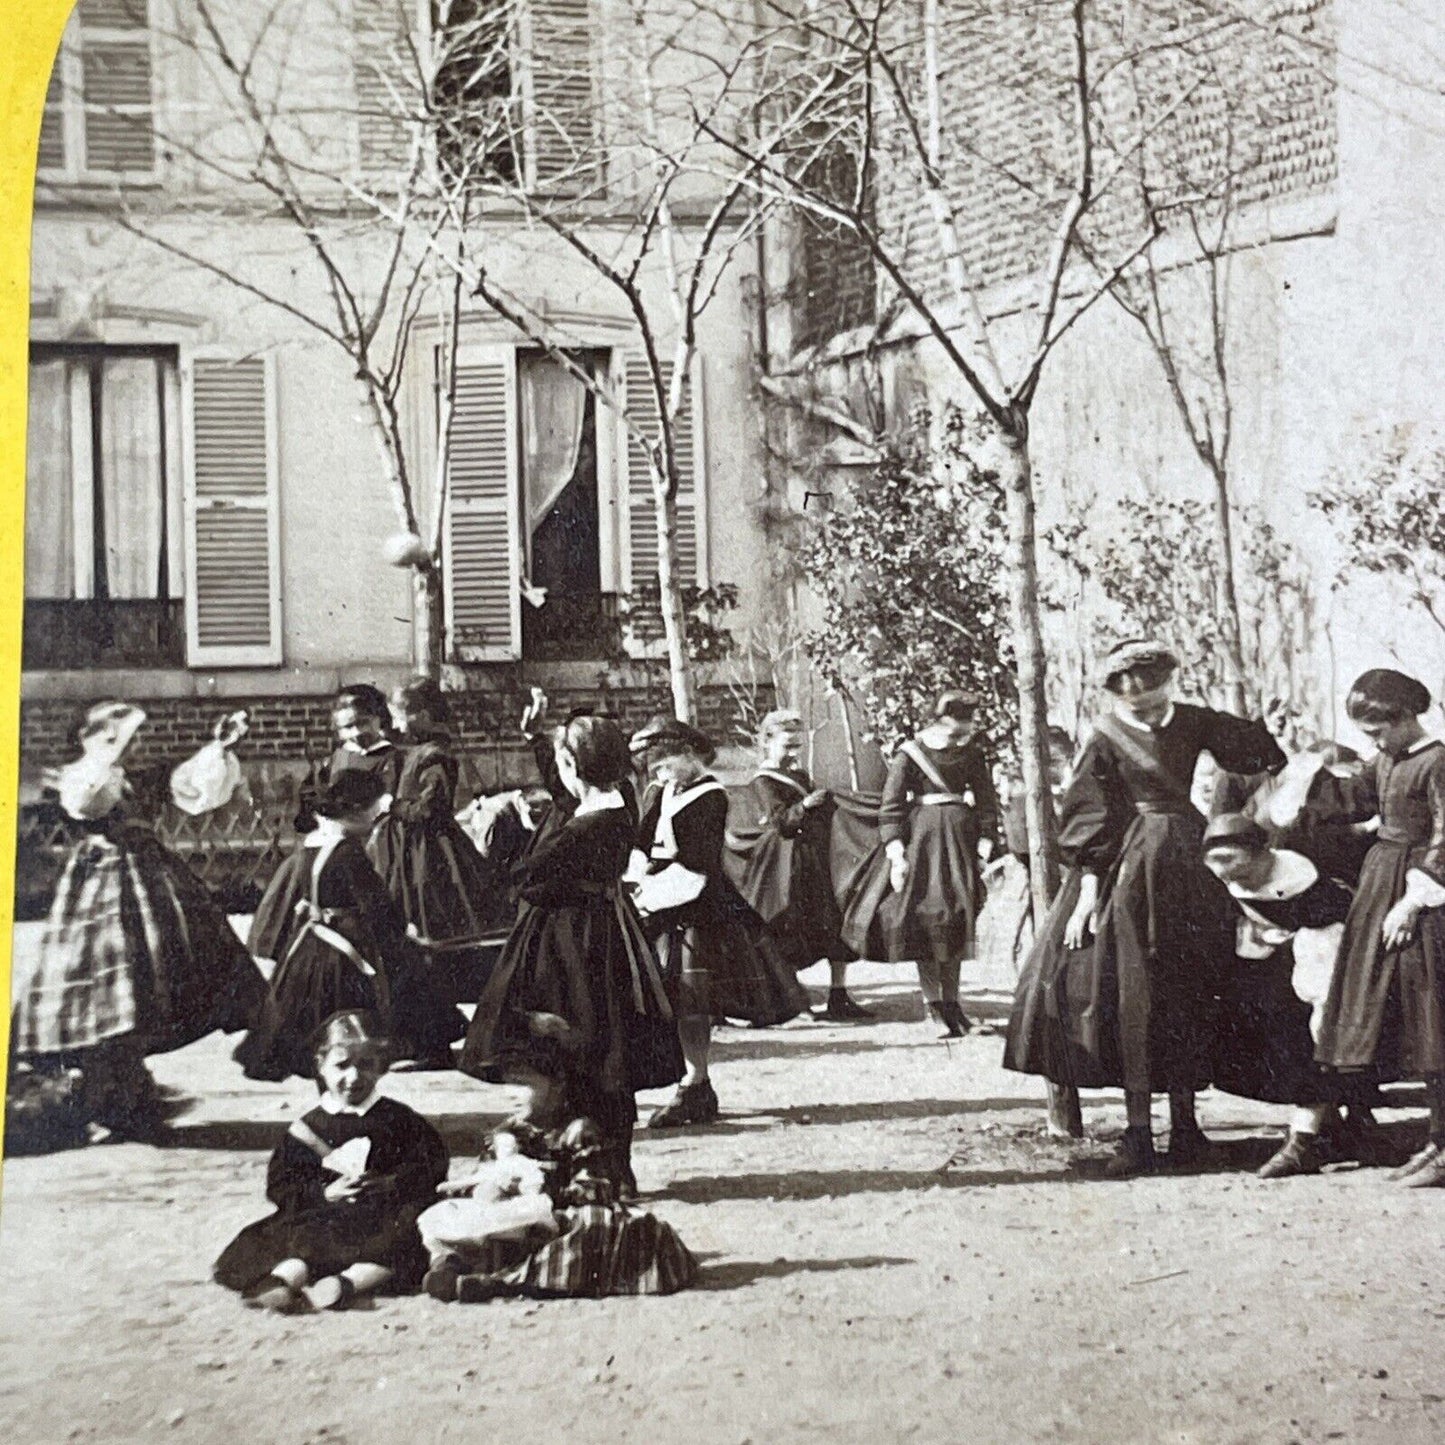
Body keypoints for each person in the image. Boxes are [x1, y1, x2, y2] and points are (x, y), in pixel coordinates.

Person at [1002, 639, 1287, 1177]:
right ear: (1116, 697)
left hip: (1192, 864)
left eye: (1154, 701)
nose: (1147, 713)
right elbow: (1088, 815)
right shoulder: (1105, 736)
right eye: (1135, 706)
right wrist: (1087, 892)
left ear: (1169, 684)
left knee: (1191, 988)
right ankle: (1137, 1133)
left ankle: (1187, 1129)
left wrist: (1261, 746)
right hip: (1126, 872)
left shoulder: (1198, 720)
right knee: (1133, 992)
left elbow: (1258, 757)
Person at [10, 702, 267, 1142]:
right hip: (101, 884)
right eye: (126, 737)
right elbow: (87, 802)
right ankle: (109, 1093)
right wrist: (103, 757)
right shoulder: (81, 778)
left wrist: (219, 748)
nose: (135, 746)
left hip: (153, 880)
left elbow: (192, 788)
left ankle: (125, 1090)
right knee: (104, 983)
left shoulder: (137, 778)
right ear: (98, 740)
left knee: (155, 974)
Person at [458, 713, 682, 1191]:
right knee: (607, 1046)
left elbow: (527, 879)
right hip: (605, 935)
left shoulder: (587, 825)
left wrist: (510, 831)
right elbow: (563, 801)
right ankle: (606, 1163)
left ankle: (593, 1164)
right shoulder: (617, 802)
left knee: (581, 1047)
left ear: (571, 765)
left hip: (571, 945)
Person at [1272, 668, 1445, 1187]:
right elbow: (1351, 800)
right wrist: (1302, 768)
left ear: (1405, 717)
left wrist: (1415, 901)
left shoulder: (1438, 760)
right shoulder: (1386, 761)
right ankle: (1432, 1141)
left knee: (1431, 1017)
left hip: (1422, 894)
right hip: (1379, 883)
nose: (1373, 742)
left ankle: (1443, 1144)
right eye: (1367, 735)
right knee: (1394, 1018)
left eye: (1378, 731)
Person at [631, 719, 811, 1128]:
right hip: (658, 899)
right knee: (668, 1000)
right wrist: (635, 877)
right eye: (654, 768)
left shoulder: (710, 797)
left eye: (667, 765)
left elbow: (696, 865)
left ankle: (696, 1082)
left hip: (694, 904)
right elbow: (643, 844)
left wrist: (647, 896)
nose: (660, 774)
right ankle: (690, 1080)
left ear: (691, 757)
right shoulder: (662, 791)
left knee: (693, 999)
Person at [215, 1011, 448, 1312]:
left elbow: (432, 1165)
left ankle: (346, 1285)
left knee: (400, 1242)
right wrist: (323, 1194)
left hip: (385, 1214)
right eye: (341, 1065)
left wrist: (395, 1182)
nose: (353, 1077)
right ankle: (282, 1282)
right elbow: (281, 1184)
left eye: (365, 1065)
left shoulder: (400, 1120)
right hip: (325, 1214)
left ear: (381, 1068)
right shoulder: (309, 1127)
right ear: (320, 1067)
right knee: (299, 1237)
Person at [235, 769, 461, 1081]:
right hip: (349, 935)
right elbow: (375, 904)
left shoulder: (309, 848)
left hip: (312, 937)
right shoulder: (349, 852)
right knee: (403, 972)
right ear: (354, 811)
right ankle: (425, 1045)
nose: (374, 817)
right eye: (371, 810)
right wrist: (403, 932)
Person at [1199, 813, 1383, 1177]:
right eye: (1216, 863)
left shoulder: (1304, 880)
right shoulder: (1237, 882)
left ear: (1262, 852)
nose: (1225, 873)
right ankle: (1343, 1124)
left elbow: (1329, 945)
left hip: (1333, 953)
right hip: (1283, 958)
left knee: (1323, 1033)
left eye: (1231, 861)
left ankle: (1306, 1140)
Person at [726, 709, 871, 1021]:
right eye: (787, 745)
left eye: (797, 746)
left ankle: (838, 995)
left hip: (813, 859)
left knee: (834, 921)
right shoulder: (763, 780)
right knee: (790, 926)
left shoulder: (798, 776)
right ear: (767, 742)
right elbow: (781, 822)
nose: (793, 752)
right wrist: (805, 805)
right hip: (786, 866)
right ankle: (794, 1000)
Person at [880, 691, 1000, 1037]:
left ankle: (954, 1005)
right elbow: (891, 807)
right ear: (941, 719)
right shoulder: (910, 753)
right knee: (928, 920)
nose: (962, 735)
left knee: (959, 917)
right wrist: (897, 853)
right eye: (956, 727)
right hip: (924, 845)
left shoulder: (972, 754)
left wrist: (985, 841)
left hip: (961, 845)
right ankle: (933, 1007)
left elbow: (987, 801)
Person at [325, 683, 403, 795]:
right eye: (347, 727)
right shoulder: (338, 757)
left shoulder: (390, 756)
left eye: (362, 723)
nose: (357, 733)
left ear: (378, 719)